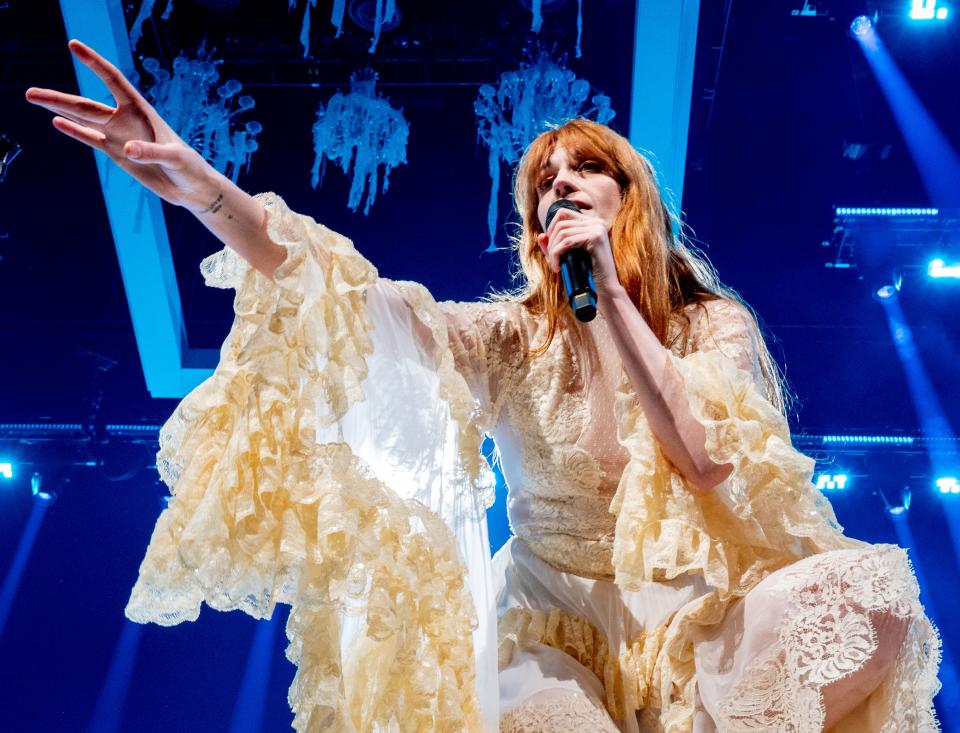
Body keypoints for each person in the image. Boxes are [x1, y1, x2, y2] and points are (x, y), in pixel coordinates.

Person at [27, 40, 941, 733]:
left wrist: (614, 299)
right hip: (548, 633)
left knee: (870, 597)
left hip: (694, 620)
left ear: (635, 199)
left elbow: (702, 460)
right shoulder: (508, 338)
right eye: (545, 182)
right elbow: (355, 302)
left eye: (587, 170)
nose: (561, 187)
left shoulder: (711, 325)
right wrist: (199, 187)